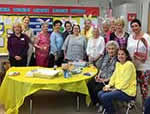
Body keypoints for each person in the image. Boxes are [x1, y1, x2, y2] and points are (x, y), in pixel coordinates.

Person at [97, 48, 137, 114]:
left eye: (122, 54)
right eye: (118, 54)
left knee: (104, 96)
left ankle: (111, 112)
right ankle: (109, 109)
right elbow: (114, 76)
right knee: (100, 94)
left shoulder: (129, 65)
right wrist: (108, 86)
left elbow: (125, 82)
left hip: (127, 92)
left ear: (126, 55)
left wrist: (113, 89)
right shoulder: (118, 64)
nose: (120, 56)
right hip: (118, 89)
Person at [87, 41, 118, 106]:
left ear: (116, 49)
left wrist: (104, 80)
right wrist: (98, 76)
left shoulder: (118, 59)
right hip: (101, 77)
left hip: (109, 80)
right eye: (109, 49)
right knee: (89, 84)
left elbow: (116, 74)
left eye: (112, 49)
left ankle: (101, 103)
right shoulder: (106, 56)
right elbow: (101, 68)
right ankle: (96, 101)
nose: (111, 51)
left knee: (97, 89)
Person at [127, 19, 150, 105]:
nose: (134, 28)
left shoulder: (146, 37)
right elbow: (128, 49)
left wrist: (145, 44)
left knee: (144, 88)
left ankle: (145, 106)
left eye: (136, 26)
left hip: (144, 67)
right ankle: (133, 102)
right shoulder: (130, 37)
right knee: (133, 86)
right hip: (133, 66)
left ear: (140, 26)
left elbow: (149, 50)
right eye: (132, 26)